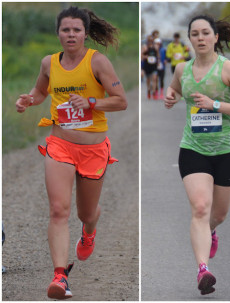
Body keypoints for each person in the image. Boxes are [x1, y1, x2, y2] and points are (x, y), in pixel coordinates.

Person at [14, 6, 128, 299]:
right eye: (65, 30)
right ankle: (60, 277)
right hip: (60, 145)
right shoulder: (49, 63)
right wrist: (28, 99)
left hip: (92, 149)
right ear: (58, 33)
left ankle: (89, 230)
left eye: (77, 30)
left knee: (85, 212)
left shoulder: (98, 62)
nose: (71, 35)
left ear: (86, 34)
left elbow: (120, 101)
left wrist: (91, 101)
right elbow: (40, 92)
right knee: (58, 210)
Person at [163, 14, 230, 295]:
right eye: (195, 34)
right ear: (189, 38)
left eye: (206, 33)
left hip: (229, 150)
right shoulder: (182, 69)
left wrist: (215, 104)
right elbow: (176, 88)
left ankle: (211, 231)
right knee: (200, 208)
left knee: (218, 214)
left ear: (216, 38)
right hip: (194, 148)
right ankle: (203, 270)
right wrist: (171, 96)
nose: (200, 38)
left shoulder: (227, 69)